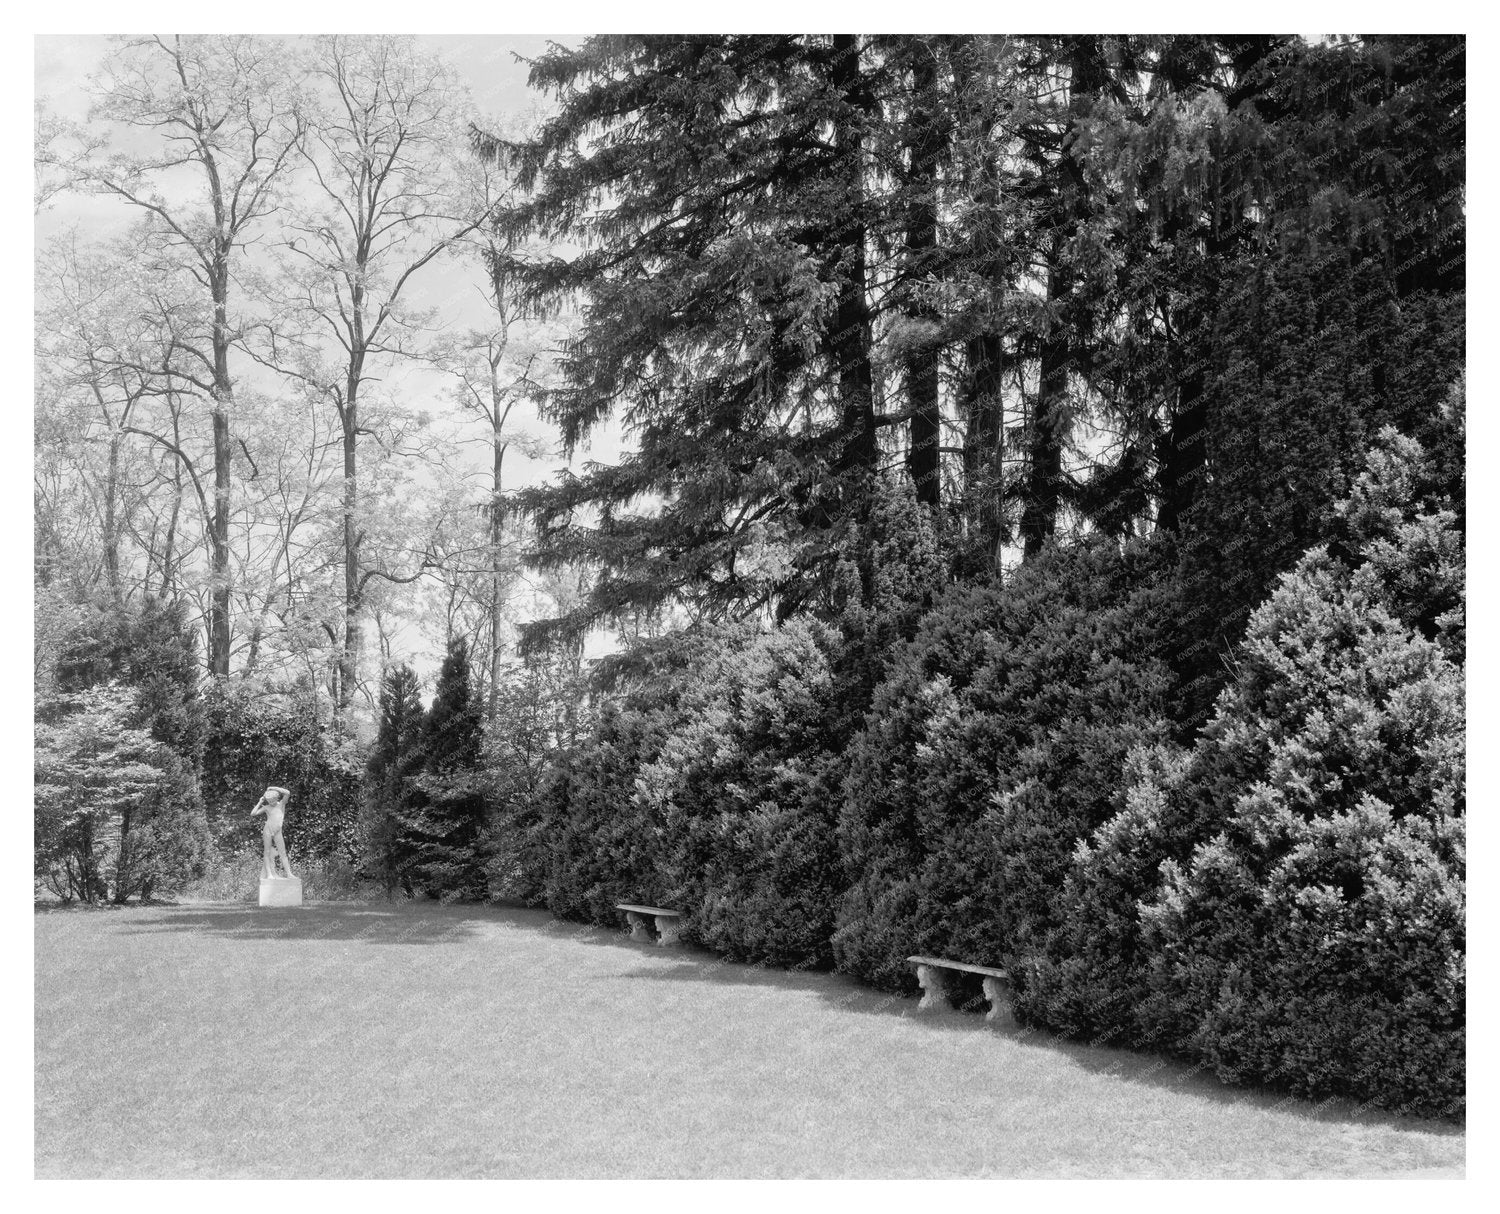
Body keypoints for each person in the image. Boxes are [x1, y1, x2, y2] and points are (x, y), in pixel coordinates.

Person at [251, 786, 294, 880]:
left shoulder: (282, 804)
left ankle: (289, 873)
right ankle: (269, 874)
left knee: (283, 852)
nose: (271, 803)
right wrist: (260, 802)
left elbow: (287, 792)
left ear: (277, 798)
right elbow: (253, 813)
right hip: (268, 830)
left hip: (278, 831)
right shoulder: (266, 807)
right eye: (269, 801)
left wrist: (273, 788)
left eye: (272, 801)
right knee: (267, 851)